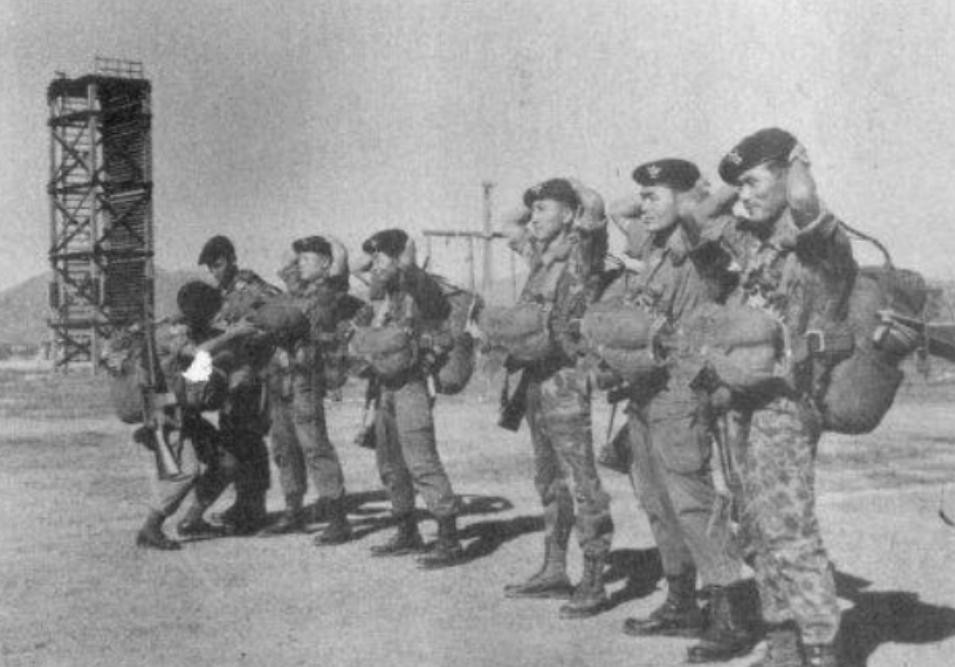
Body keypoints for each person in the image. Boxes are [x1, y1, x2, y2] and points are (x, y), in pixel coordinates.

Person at [685, 129, 855, 667]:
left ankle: (822, 648)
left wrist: (799, 161)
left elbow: (803, 200)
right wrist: (736, 179)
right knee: (754, 530)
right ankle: (783, 644)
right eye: (740, 187)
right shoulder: (751, 241)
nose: (744, 196)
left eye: (755, 182)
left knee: (789, 532)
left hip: (787, 405)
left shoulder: (818, 243)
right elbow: (697, 216)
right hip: (741, 404)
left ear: (787, 174)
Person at [607, 159, 755, 662]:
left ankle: (730, 612)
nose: (643, 206)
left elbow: (703, 211)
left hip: (681, 390)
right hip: (644, 388)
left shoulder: (695, 240)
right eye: (644, 196)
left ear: (685, 199)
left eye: (654, 196)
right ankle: (680, 602)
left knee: (692, 502)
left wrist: (694, 195)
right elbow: (617, 209)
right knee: (656, 500)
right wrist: (655, 197)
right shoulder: (651, 244)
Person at [499, 178, 614, 619]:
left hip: (565, 378)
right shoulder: (540, 255)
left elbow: (596, 208)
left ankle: (594, 576)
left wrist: (569, 186)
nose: (533, 218)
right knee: (548, 478)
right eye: (534, 211)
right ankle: (553, 569)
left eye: (543, 209)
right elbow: (509, 223)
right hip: (534, 379)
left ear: (568, 214)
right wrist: (537, 195)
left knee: (580, 479)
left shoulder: (582, 253)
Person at [356, 228, 464, 568]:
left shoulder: (420, 286)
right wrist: (378, 258)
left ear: (399, 258)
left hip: (412, 386)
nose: (374, 265)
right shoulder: (386, 296)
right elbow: (357, 267)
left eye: (379, 258)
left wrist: (407, 260)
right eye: (374, 259)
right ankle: (406, 531)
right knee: (390, 463)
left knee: (421, 461)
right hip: (385, 387)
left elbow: (433, 304)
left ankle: (449, 538)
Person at [260, 235, 352, 545]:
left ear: (325, 264)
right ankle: (293, 511)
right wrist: (301, 250)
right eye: (299, 260)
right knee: (284, 445)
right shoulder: (297, 289)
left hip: (306, 378)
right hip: (282, 376)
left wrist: (331, 244)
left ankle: (338, 519)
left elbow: (339, 261)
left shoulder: (331, 291)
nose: (299, 264)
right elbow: (284, 262)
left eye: (307, 259)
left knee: (314, 446)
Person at [135, 281, 239, 549]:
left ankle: (192, 520)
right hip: (165, 413)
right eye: (212, 311)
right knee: (186, 471)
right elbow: (199, 353)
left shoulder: (190, 328)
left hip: (186, 413)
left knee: (226, 461)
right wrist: (234, 334)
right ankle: (150, 528)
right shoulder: (173, 331)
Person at [198, 235, 280, 534]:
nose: (214, 271)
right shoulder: (225, 292)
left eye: (218, 264)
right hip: (233, 378)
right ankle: (245, 504)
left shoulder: (253, 288)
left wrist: (251, 343)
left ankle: (252, 509)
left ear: (232, 259)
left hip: (251, 377)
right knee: (236, 439)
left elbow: (277, 320)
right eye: (210, 267)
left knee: (248, 442)